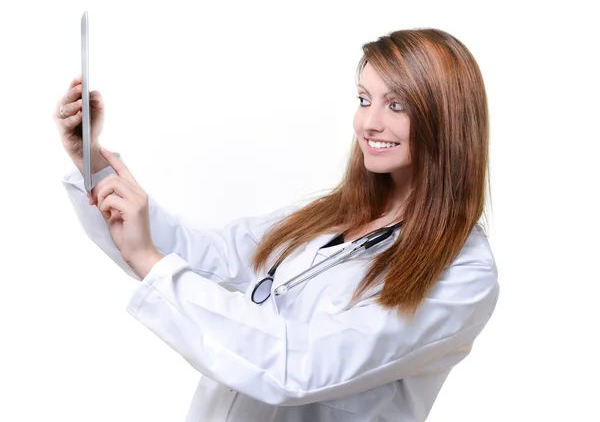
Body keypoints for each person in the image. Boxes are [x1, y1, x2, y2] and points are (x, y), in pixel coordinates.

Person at [54, 27, 500, 422]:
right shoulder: (330, 216)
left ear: (446, 119)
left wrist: (149, 261)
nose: (369, 122)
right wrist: (94, 163)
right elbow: (206, 256)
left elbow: (300, 367)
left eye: (396, 104)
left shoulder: (462, 274)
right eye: (364, 99)